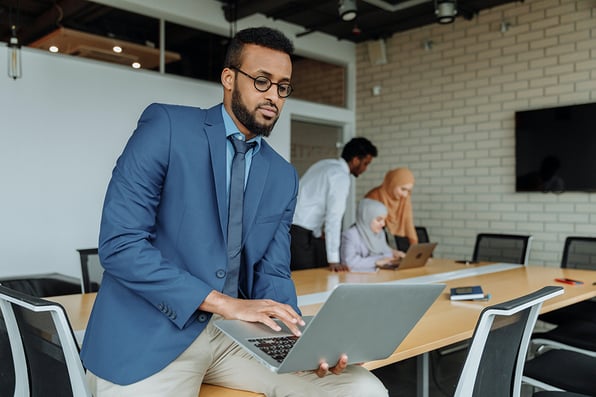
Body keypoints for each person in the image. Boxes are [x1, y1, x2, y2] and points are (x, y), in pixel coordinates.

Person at [80, 27, 387, 397]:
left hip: (235, 336)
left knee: (360, 389)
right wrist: (223, 303)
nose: (274, 95)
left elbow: (271, 272)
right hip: (153, 331)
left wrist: (296, 338)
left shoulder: (282, 175)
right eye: (262, 81)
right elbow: (120, 245)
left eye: (283, 86)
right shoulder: (168, 127)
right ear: (228, 78)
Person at [290, 137, 378, 272]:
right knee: (306, 281)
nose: (365, 169)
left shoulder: (324, 165)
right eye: (365, 163)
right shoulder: (340, 177)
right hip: (300, 234)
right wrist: (334, 260)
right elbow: (334, 219)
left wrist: (318, 233)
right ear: (355, 160)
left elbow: (309, 199)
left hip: (291, 229)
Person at [340, 199, 404, 272]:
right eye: (379, 220)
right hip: (356, 279)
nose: (383, 224)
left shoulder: (379, 233)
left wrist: (394, 255)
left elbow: (387, 253)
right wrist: (376, 262)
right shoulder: (350, 235)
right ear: (366, 218)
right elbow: (349, 263)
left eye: (384, 220)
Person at [365, 167, 417, 247]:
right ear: (392, 184)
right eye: (403, 189)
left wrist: (416, 251)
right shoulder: (373, 197)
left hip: (391, 248)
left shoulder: (404, 198)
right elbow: (367, 231)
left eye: (408, 191)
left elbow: (408, 224)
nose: (405, 195)